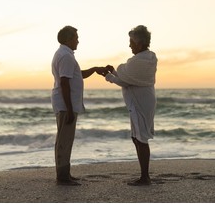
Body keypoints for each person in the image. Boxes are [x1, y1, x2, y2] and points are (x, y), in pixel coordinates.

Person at [51, 25, 106, 186]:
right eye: (76, 37)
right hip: (65, 104)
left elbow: (77, 75)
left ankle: (64, 173)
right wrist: (69, 108)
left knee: (64, 139)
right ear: (68, 39)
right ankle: (63, 177)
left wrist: (95, 69)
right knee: (65, 140)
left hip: (63, 103)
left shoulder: (64, 54)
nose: (78, 40)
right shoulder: (66, 56)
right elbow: (65, 83)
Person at [104, 25, 158, 186]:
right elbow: (128, 78)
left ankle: (145, 177)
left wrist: (109, 76)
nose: (129, 45)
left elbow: (124, 80)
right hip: (142, 101)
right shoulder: (148, 58)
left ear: (140, 44)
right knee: (136, 137)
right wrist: (114, 72)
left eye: (131, 42)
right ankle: (144, 175)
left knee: (141, 139)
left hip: (141, 103)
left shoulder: (140, 61)